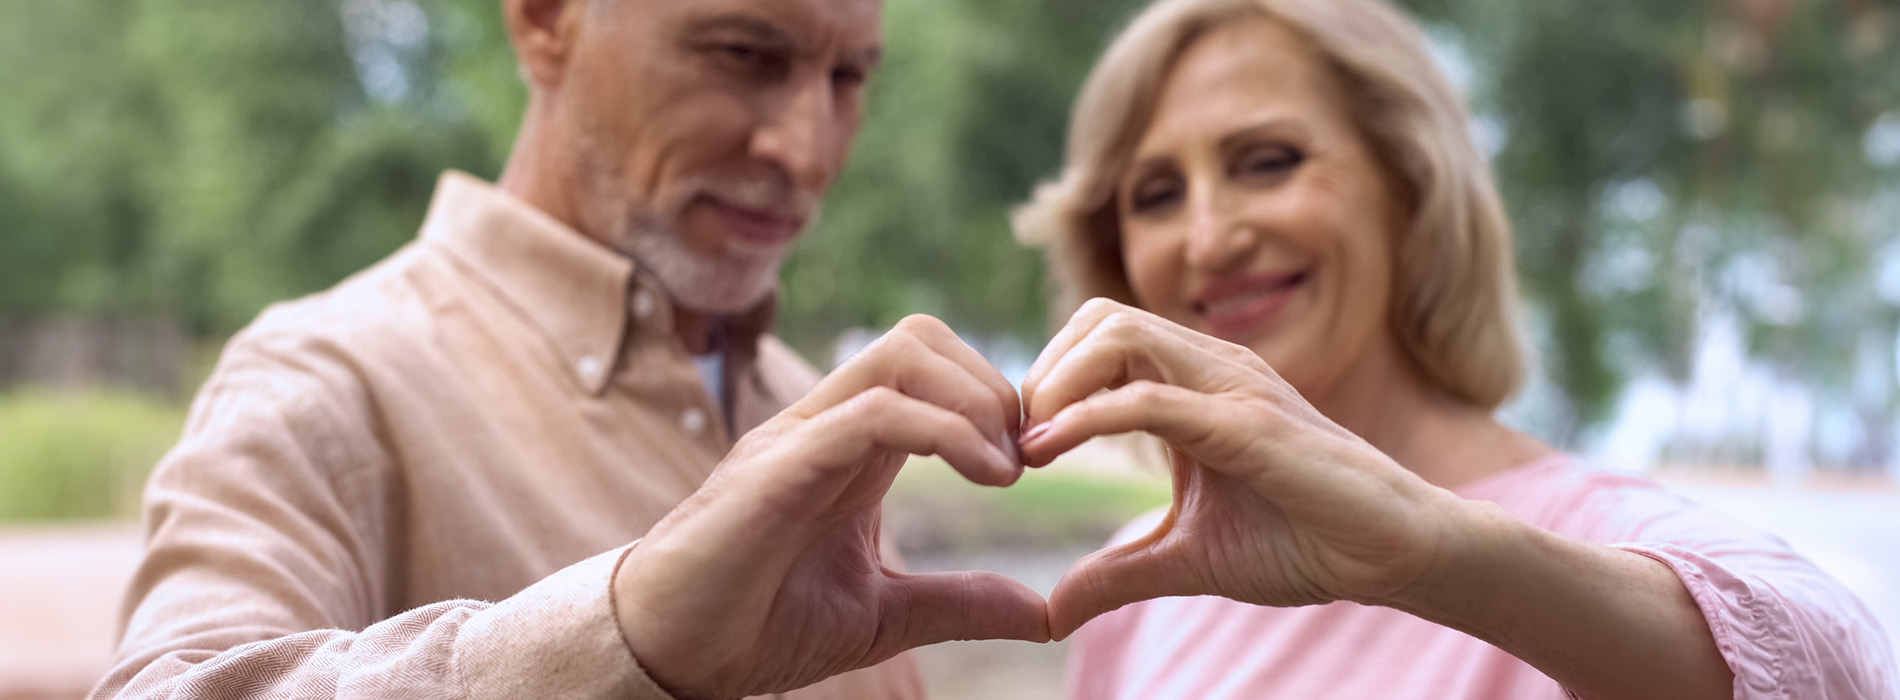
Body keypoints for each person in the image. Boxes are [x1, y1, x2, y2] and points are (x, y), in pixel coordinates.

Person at [93, 0, 1051, 698]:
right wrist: (616, 636)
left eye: (849, 77)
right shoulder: (324, 381)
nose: (807, 150)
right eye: (743, 53)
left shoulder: (809, 401)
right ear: (544, 20)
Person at [1010, 0, 1898, 697]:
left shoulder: (1596, 538)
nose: (1207, 238)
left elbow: (1833, 669)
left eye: (1267, 161)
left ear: (1410, 185)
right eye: (1157, 194)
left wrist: (1433, 556)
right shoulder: (1136, 588)